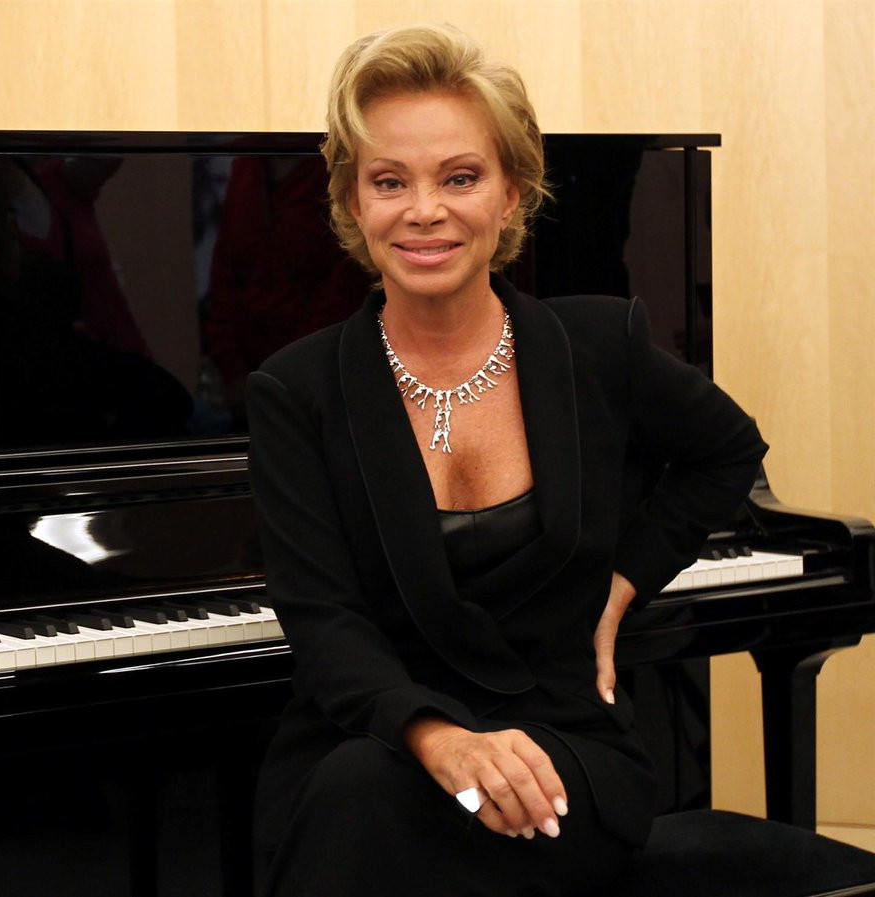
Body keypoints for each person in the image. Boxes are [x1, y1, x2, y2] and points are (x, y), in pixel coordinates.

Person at [245, 23, 768, 897]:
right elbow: (322, 621)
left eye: (460, 177)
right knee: (361, 791)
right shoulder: (295, 391)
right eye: (389, 181)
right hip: (379, 740)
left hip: (564, 740)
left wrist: (624, 583)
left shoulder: (600, 344)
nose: (424, 210)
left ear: (512, 193)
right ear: (353, 204)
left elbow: (730, 450)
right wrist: (438, 738)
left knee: (379, 823)